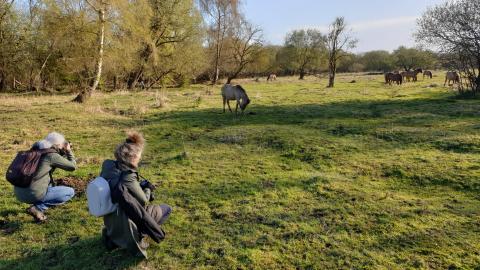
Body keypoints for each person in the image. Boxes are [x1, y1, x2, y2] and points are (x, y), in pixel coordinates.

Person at [100, 131, 171, 258]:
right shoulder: (127, 176)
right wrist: (148, 189)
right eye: (138, 156)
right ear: (132, 157)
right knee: (166, 209)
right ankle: (141, 233)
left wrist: (139, 185)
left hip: (111, 218)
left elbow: (122, 189)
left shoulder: (108, 166)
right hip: (128, 217)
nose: (140, 158)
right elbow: (143, 201)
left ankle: (115, 238)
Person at [14, 132, 76, 222]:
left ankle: (38, 206)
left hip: (19, 193)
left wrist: (62, 153)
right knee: (70, 192)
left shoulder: (34, 151)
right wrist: (68, 151)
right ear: (58, 145)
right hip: (32, 194)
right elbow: (72, 166)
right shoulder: (51, 155)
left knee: (49, 183)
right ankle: (38, 208)